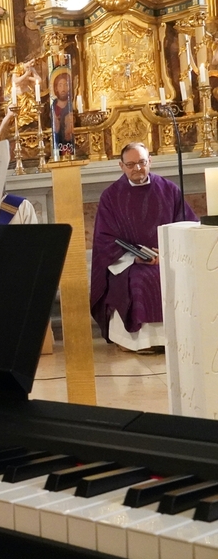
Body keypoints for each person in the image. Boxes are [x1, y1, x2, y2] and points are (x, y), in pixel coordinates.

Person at [90, 142, 198, 353]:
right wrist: (135, 257)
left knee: (174, 275)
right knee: (140, 280)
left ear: (150, 161)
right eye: (130, 164)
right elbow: (104, 238)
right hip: (129, 262)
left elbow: (187, 225)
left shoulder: (169, 189)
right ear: (121, 166)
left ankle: (176, 339)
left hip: (168, 257)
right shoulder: (111, 196)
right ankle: (140, 342)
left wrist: (168, 250)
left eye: (141, 162)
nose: (137, 168)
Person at [0, 59, 41, 142]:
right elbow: (15, 81)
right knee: (10, 113)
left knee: (36, 110)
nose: (32, 64)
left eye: (33, 63)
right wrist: (26, 75)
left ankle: (33, 129)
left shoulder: (31, 69)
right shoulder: (17, 68)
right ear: (26, 61)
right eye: (31, 62)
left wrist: (29, 77)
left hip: (27, 96)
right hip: (17, 97)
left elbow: (39, 80)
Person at [51, 71, 75, 156]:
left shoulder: (73, 105)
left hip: (71, 144)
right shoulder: (52, 108)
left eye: (66, 85)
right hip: (56, 145)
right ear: (56, 88)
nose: (63, 89)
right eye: (60, 85)